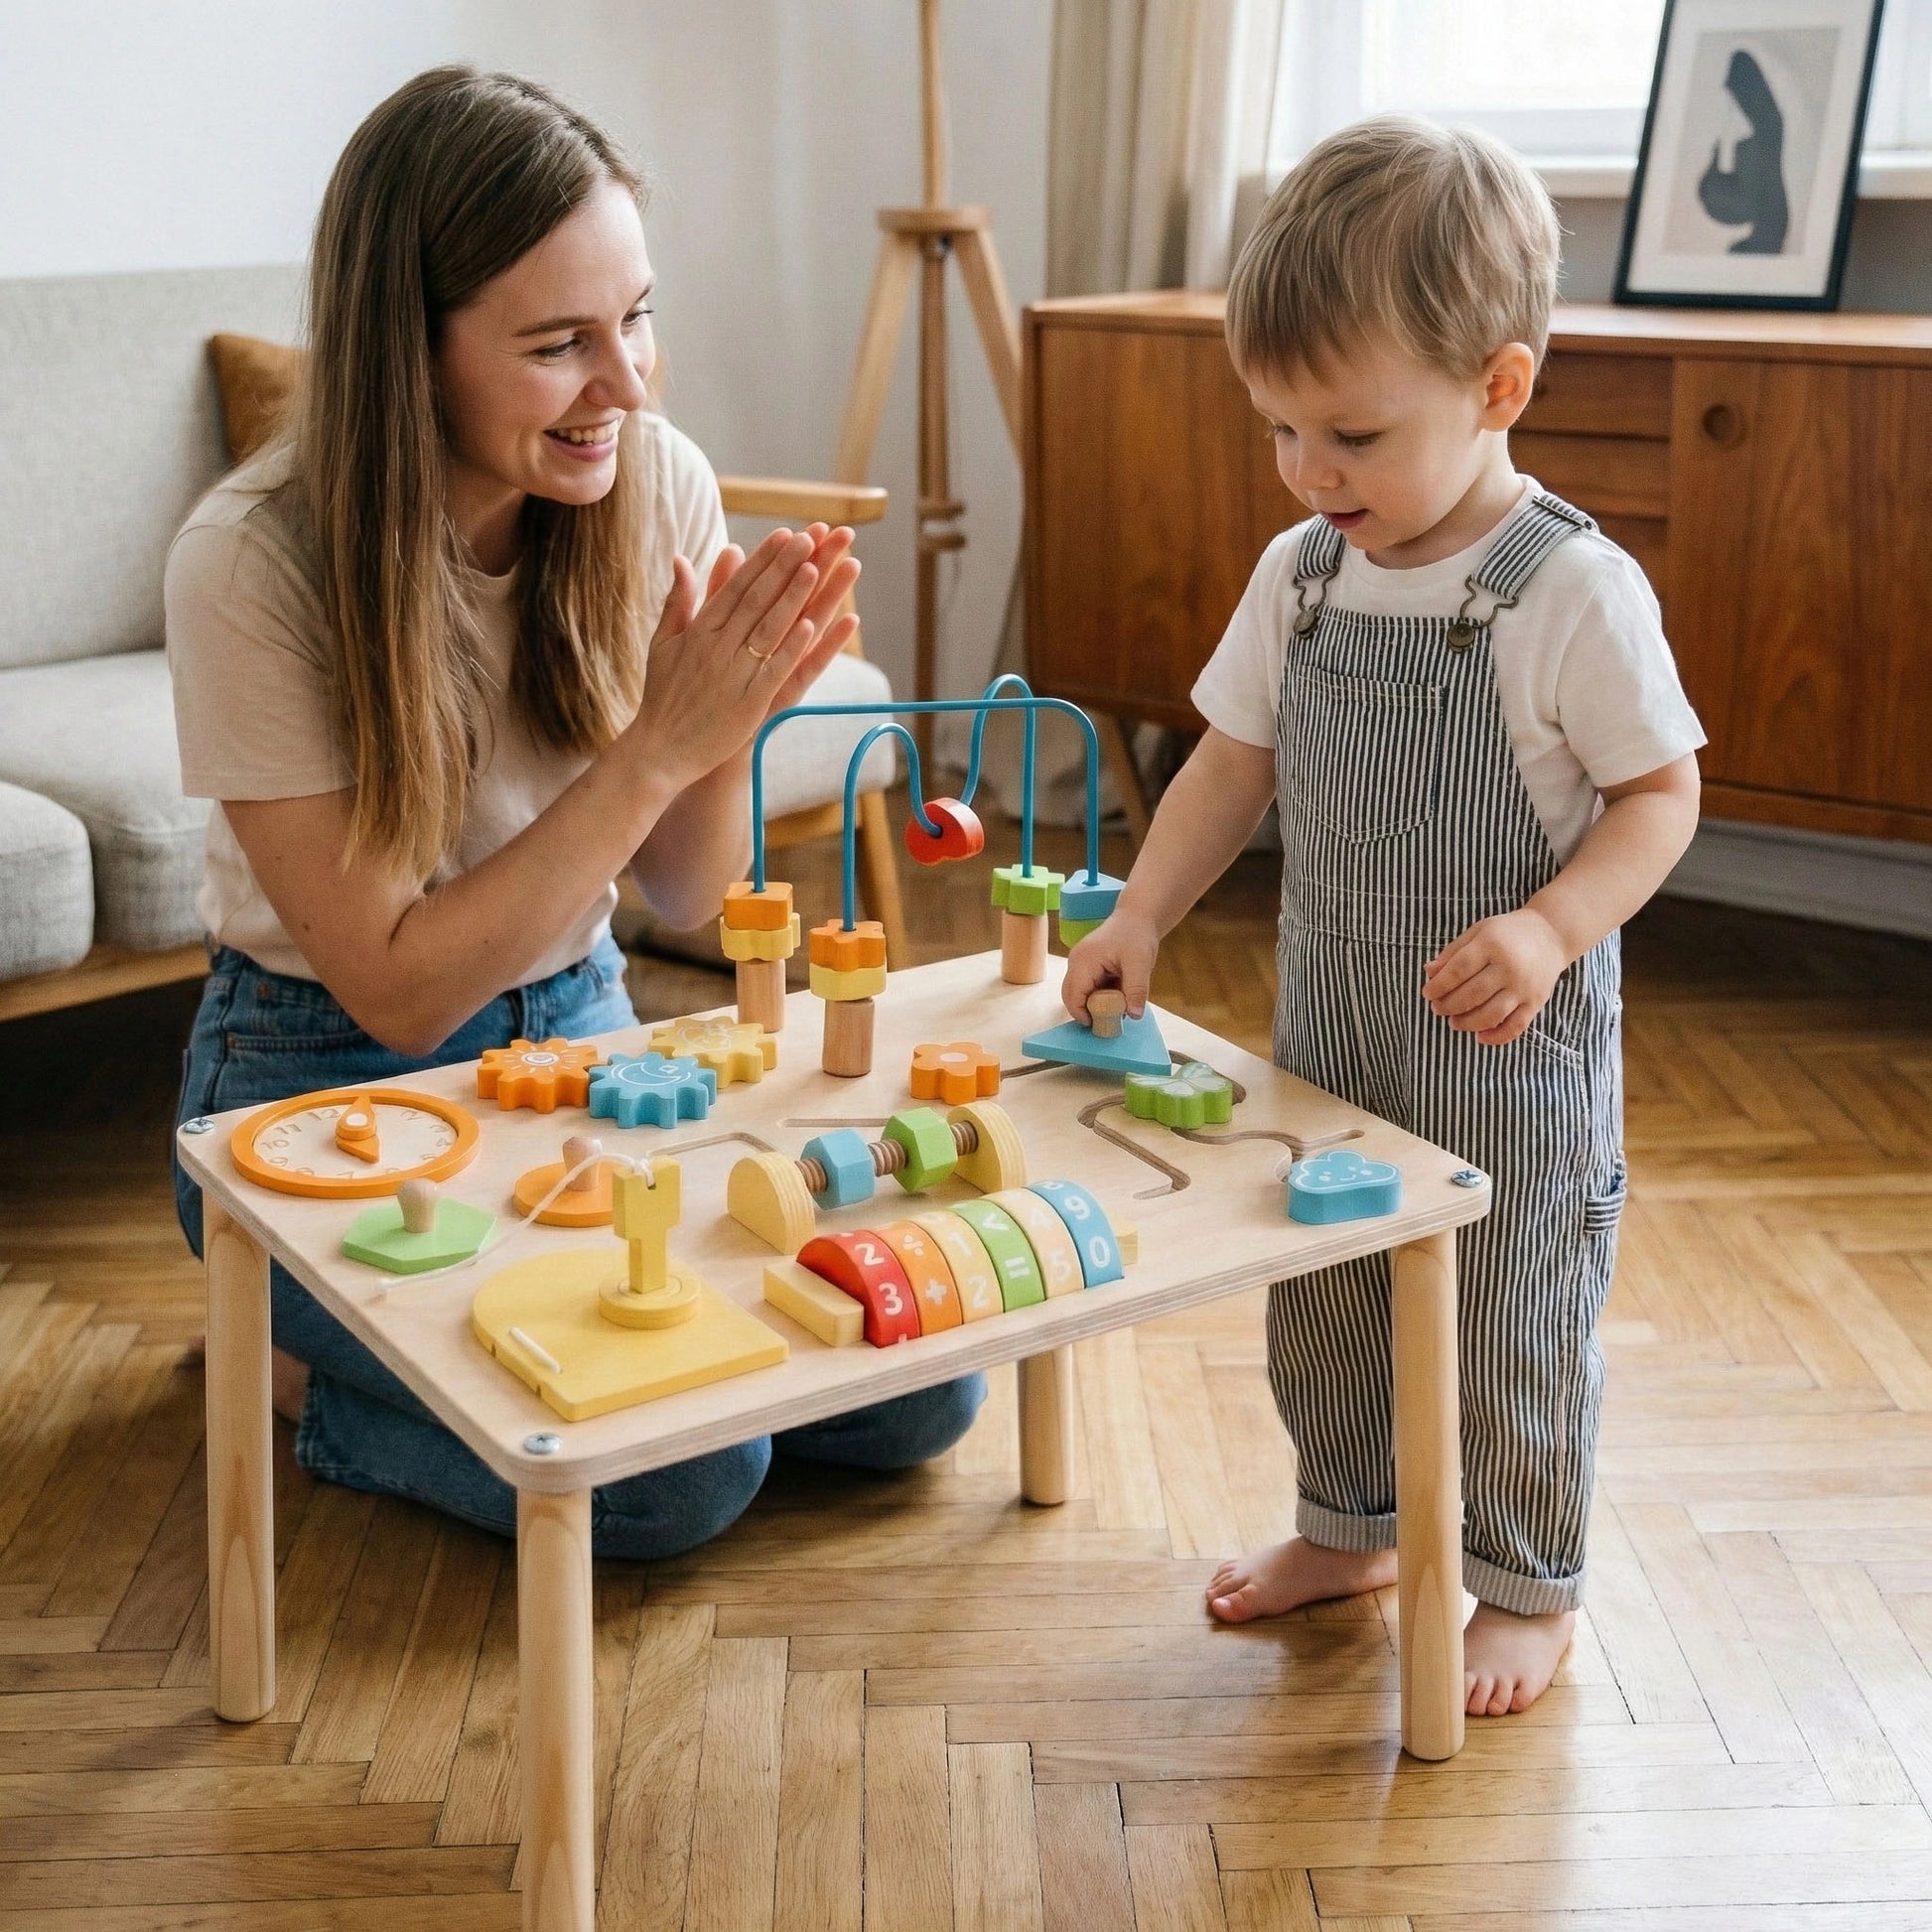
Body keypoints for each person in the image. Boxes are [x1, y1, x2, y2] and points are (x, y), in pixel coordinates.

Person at [168, 67, 983, 1559]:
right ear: (407, 351)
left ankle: (398, 1363)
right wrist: (650, 745)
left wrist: (719, 731)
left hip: (585, 1032)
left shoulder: (647, 481)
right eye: (559, 345)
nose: (629, 383)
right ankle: (288, 1372)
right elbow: (402, 992)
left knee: (912, 1392)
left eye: (637, 318)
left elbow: (683, 892)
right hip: (318, 1087)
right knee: (675, 1482)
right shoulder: (250, 564)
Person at [1060, 117, 1704, 1717]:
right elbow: (1228, 764)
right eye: (1277, 428)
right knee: (1329, 1297)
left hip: (1507, 1066)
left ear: (1498, 388)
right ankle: (1344, 1528)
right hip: (1335, 1037)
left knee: (1508, 1324)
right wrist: (1142, 913)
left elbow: (1659, 798)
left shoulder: (1568, 591)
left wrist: (1553, 925)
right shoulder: (1303, 575)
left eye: (1346, 432)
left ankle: (1525, 1581)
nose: (1305, 471)